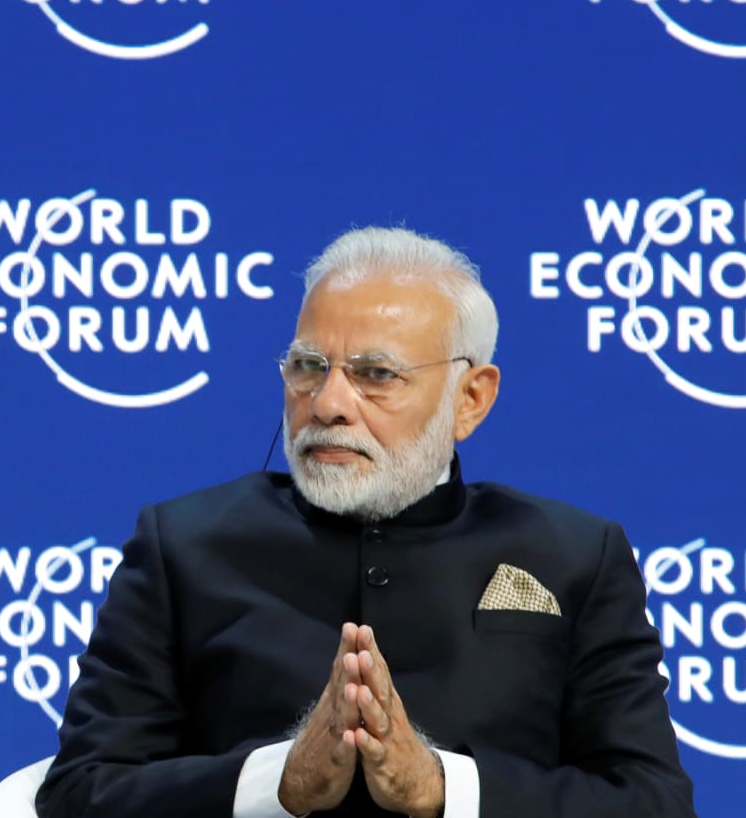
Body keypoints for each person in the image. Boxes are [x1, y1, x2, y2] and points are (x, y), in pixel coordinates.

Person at [35, 226, 697, 818]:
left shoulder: (574, 556)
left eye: (376, 374)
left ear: (471, 399)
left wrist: (441, 788)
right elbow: (80, 792)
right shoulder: (184, 545)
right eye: (307, 367)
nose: (328, 404)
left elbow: (652, 802)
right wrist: (276, 785)